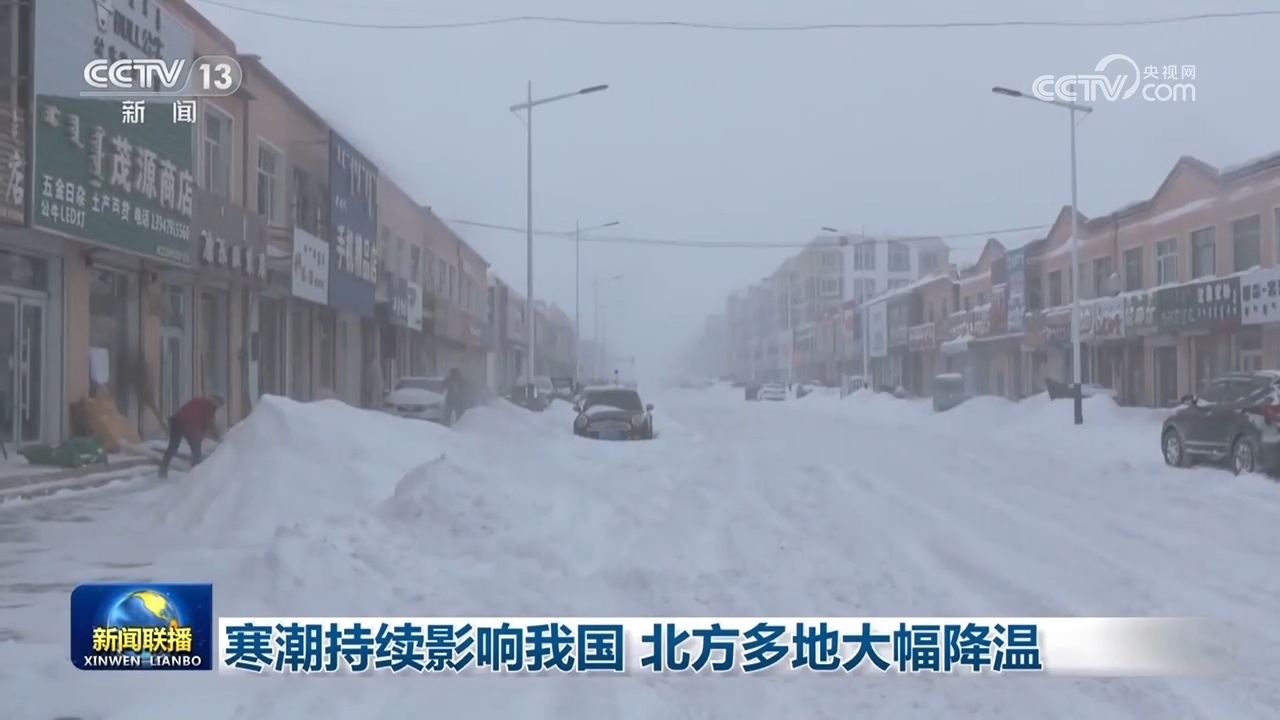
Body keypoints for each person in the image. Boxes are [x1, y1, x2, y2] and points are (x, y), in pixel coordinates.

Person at [158, 394, 224, 479]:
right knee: (196, 452)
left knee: (172, 447)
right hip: (190, 427)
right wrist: (217, 437)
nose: (218, 408)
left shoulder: (196, 400)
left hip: (177, 422)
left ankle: (162, 469)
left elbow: (182, 411)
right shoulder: (210, 407)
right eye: (219, 405)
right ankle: (195, 475)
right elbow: (209, 423)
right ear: (216, 402)